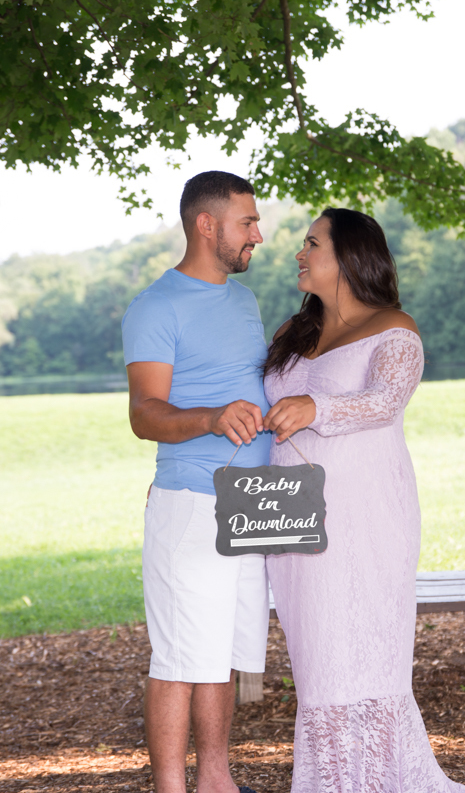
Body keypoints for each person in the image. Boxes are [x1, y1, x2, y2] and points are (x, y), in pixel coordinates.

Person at [261, 208, 465, 792]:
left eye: (312, 243)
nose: (300, 253)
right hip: (291, 511)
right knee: (317, 662)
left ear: (350, 256)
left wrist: (316, 408)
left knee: (365, 656)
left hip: (365, 515)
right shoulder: (291, 333)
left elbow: (385, 401)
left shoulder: (394, 327)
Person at [121, 171, 271, 793]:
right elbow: (144, 414)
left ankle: (215, 779)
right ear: (207, 225)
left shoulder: (244, 301)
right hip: (191, 503)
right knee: (180, 657)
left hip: (251, 506)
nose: (258, 235)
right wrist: (211, 418)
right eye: (247, 222)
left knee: (223, 652)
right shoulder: (156, 306)